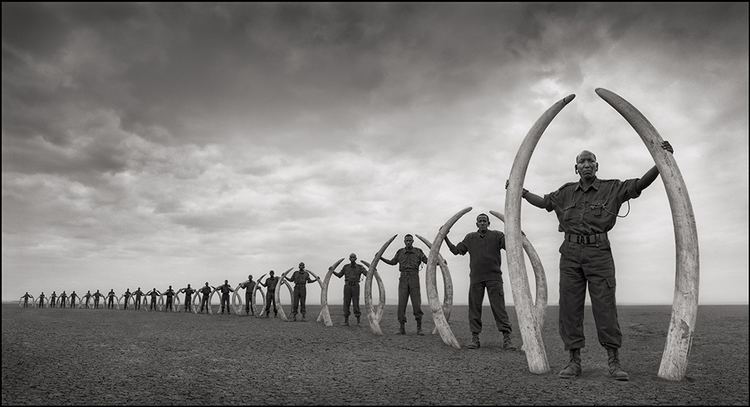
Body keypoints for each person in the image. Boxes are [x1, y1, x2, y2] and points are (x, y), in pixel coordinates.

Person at [514, 141, 674, 381]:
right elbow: (545, 202)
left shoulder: (612, 189)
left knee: (605, 306)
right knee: (569, 308)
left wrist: (662, 161)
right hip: (570, 253)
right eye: (582, 161)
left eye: (590, 161)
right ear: (575, 167)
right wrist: (521, 192)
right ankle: (573, 362)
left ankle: (613, 361)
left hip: (599, 253)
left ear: (597, 165)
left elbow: (639, 184)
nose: (586, 164)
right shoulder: (565, 192)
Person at [445, 213, 515, 350]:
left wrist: (517, 234)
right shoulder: (470, 238)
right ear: (476, 224)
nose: (482, 223)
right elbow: (456, 251)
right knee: (474, 308)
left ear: (489, 223)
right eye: (480, 221)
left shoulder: (497, 235)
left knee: (499, 308)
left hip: (494, 278)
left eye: (484, 221)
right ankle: (475, 338)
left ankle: (507, 339)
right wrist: (445, 236)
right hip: (476, 279)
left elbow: (511, 246)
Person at [380, 234, 428, 335]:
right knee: (401, 303)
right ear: (404, 241)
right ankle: (402, 328)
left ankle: (419, 328)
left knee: (416, 303)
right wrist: (380, 258)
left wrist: (440, 262)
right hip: (403, 279)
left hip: (414, 278)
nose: (408, 242)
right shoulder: (400, 252)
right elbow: (393, 262)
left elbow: (428, 261)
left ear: (413, 241)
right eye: (407, 240)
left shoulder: (418, 251)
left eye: (410, 240)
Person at [332, 253, 368, 326]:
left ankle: (358, 322)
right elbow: (339, 275)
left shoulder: (360, 267)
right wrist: (332, 271)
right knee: (346, 303)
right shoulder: (346, 267)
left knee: (356, 303)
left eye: (353, 257)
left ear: (356, 258)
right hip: (347, 286)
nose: (352, 258)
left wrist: (372, 270)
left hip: (355, 286)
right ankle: (346, 321)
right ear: (349, 258)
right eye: (351, 257)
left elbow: (367, 274)